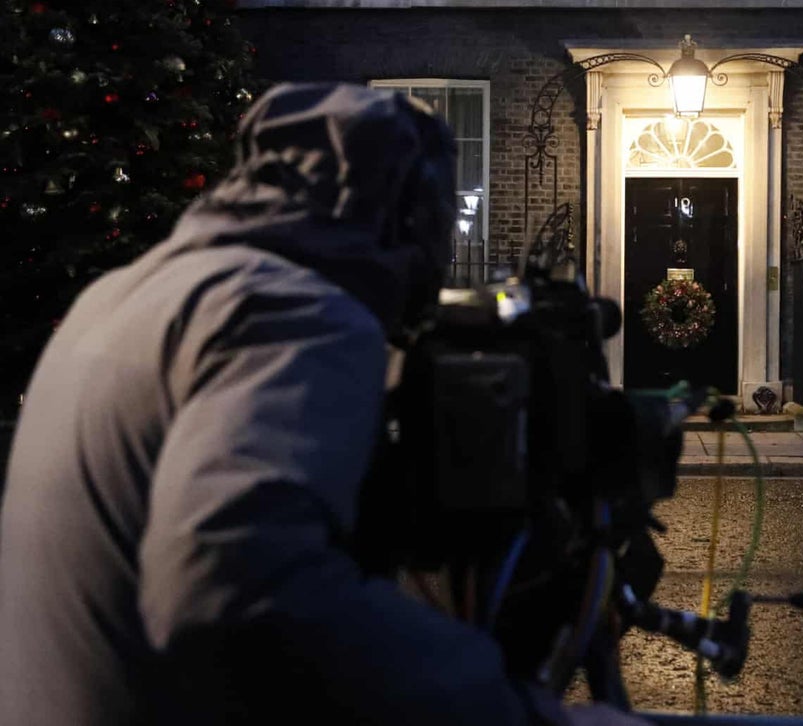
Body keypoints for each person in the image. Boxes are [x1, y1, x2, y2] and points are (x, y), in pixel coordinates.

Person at [0, 83, 648, 725]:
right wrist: (509, 710)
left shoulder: (117, 296)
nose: (439, 258)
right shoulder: (292, 311)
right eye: (437, 222)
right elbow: (239, 594)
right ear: (401, 213)